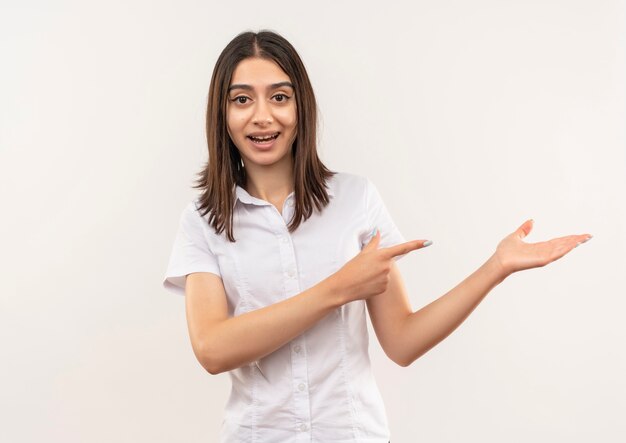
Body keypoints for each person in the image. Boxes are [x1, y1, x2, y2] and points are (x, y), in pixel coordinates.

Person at [162, 30, 592, 443]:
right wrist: (338, 289)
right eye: (242, 99)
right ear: (222, 113)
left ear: (301, 107)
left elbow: (402, 341)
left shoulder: (355, 200)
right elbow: (212, 349)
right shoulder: (202, 220)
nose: (262, 115)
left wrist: (496, 268)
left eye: (280, 97)